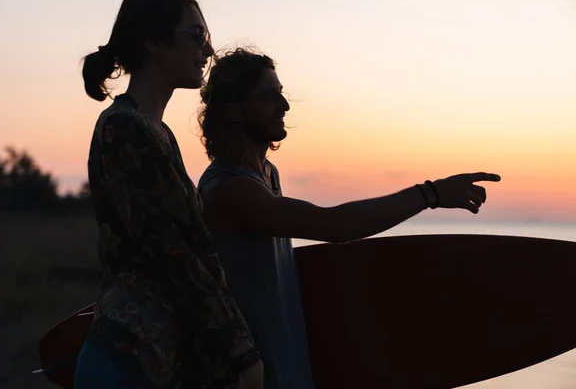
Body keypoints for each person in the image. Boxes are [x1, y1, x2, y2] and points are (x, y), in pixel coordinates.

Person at [196, 48, 502, 389]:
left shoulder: (266, 175)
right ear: (233, 110)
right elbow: (336, 225)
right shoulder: (229, 189)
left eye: (281, 94)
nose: (284, 106)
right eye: (270, 96)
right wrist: (429, 194)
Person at [75, 0, 263, 389]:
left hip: (159, 359)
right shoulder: (123, 128)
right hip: (129, 359)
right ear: (154, 42)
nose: (208, 50)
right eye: (196, 36)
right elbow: (171, 253)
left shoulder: (159, 133)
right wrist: (239, 347)